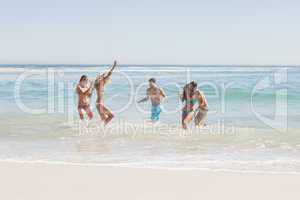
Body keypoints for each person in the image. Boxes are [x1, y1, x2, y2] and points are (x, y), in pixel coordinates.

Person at [94, 61, 117, 125]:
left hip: (99, 104)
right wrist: (114, 67)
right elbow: (109, 74)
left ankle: (99, 130)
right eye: (102, 77)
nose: (105, 78)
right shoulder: (98, 85)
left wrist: (113, 67)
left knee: (104, 119)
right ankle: (99, 128)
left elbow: (108, 75)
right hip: (99, 104)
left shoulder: (100, 84)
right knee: (111, 116)